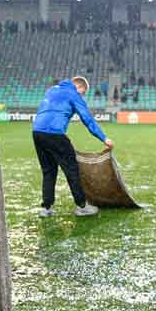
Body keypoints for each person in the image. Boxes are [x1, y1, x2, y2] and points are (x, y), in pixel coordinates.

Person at [31, 76, 112, 217]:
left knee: (48, 171)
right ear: (79, 87)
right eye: (83, 93)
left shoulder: (52, 90)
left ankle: (46, 208)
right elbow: (87, 118)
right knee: (72, 169)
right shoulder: (74, 94)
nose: (82, 96)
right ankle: (82, 206)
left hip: (37, 132)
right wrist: (104, 138)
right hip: (55, 133)